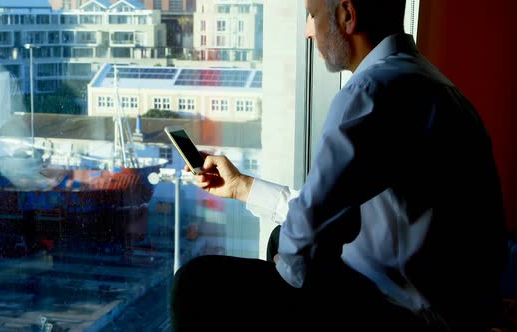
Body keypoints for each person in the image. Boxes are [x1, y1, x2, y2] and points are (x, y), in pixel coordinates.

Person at [170, 0, 508, 331]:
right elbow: (325, 210)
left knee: (195, 284)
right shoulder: (430, 82)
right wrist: (242, 186)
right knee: (282, 239)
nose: (307, 32)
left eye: (312, 16)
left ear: (347, 15)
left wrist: (289, 269)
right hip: (455, 305)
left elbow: (310, 226)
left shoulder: (371, 91)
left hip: (411, 315)